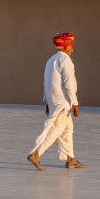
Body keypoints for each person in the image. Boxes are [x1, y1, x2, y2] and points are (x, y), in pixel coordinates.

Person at [28, 31, 83, 170]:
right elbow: (69, 84)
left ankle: (71, 159)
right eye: (71, 46)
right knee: (58, 128)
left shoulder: (51, 60)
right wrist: (75, 103)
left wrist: (47, 101)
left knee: (68, 128)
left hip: (53, 100)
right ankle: (36, 154)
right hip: (62, 101)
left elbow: (46, 82)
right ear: (65, 47)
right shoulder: (65, 61)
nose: (72, 49)